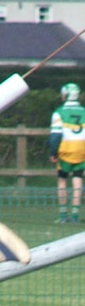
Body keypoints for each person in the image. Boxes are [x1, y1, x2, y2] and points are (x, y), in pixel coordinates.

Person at [49, 82, 85, 224]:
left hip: (65, 151)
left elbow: (56, 135)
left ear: (66, 95)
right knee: (78, 181)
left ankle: (63, 215)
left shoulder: (59, 112)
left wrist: (53, 152)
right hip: (82, 151)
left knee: (62, 180)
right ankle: (75, 214)